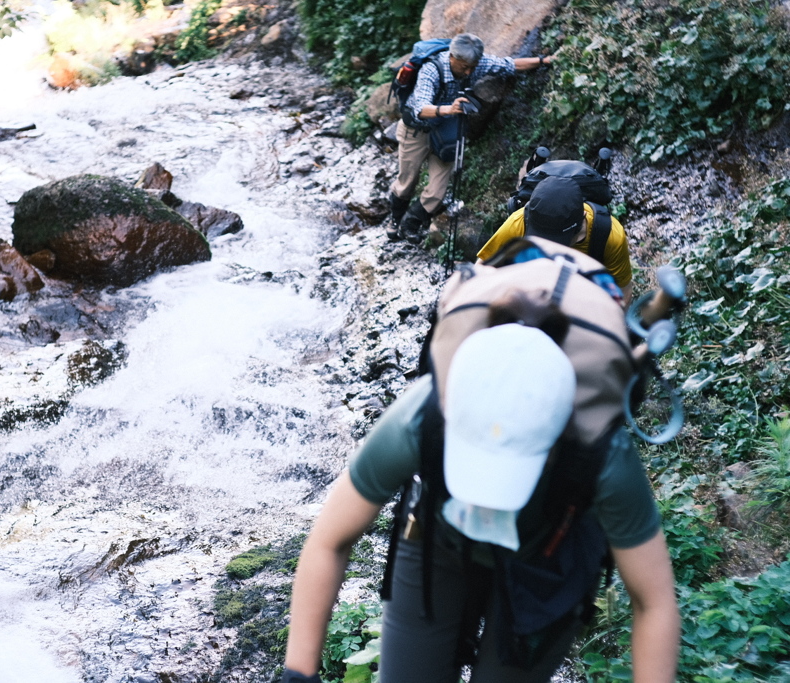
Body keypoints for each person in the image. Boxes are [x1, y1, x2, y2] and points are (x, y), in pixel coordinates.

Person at [281, 324, 680, 683]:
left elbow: (654, 600)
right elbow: (330, 539)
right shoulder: (418, 418)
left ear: (558, 443)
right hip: (438, 542)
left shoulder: (602, 456)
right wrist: (299, 674)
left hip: (550, 558)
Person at [389, 33, 552, 243]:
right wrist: (450, 109)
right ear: (452, 57)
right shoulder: (432, 69)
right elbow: (420, 108)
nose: (469, 72)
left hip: (445, 132)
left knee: (437, 192)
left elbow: (510, 65)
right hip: (416, 131)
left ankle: (410, 224)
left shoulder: (476, 64)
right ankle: (395, 219)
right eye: (464, 67)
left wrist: (543, 61)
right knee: (407, 183)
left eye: (472, 67)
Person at [477, 175, 634, 306]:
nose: (549, 248)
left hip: (584, 294)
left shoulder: (609, 235)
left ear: (583, 220)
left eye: (559, 241)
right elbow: (481, 269)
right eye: (541, 238)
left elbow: (623, 290)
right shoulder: (518, 222)